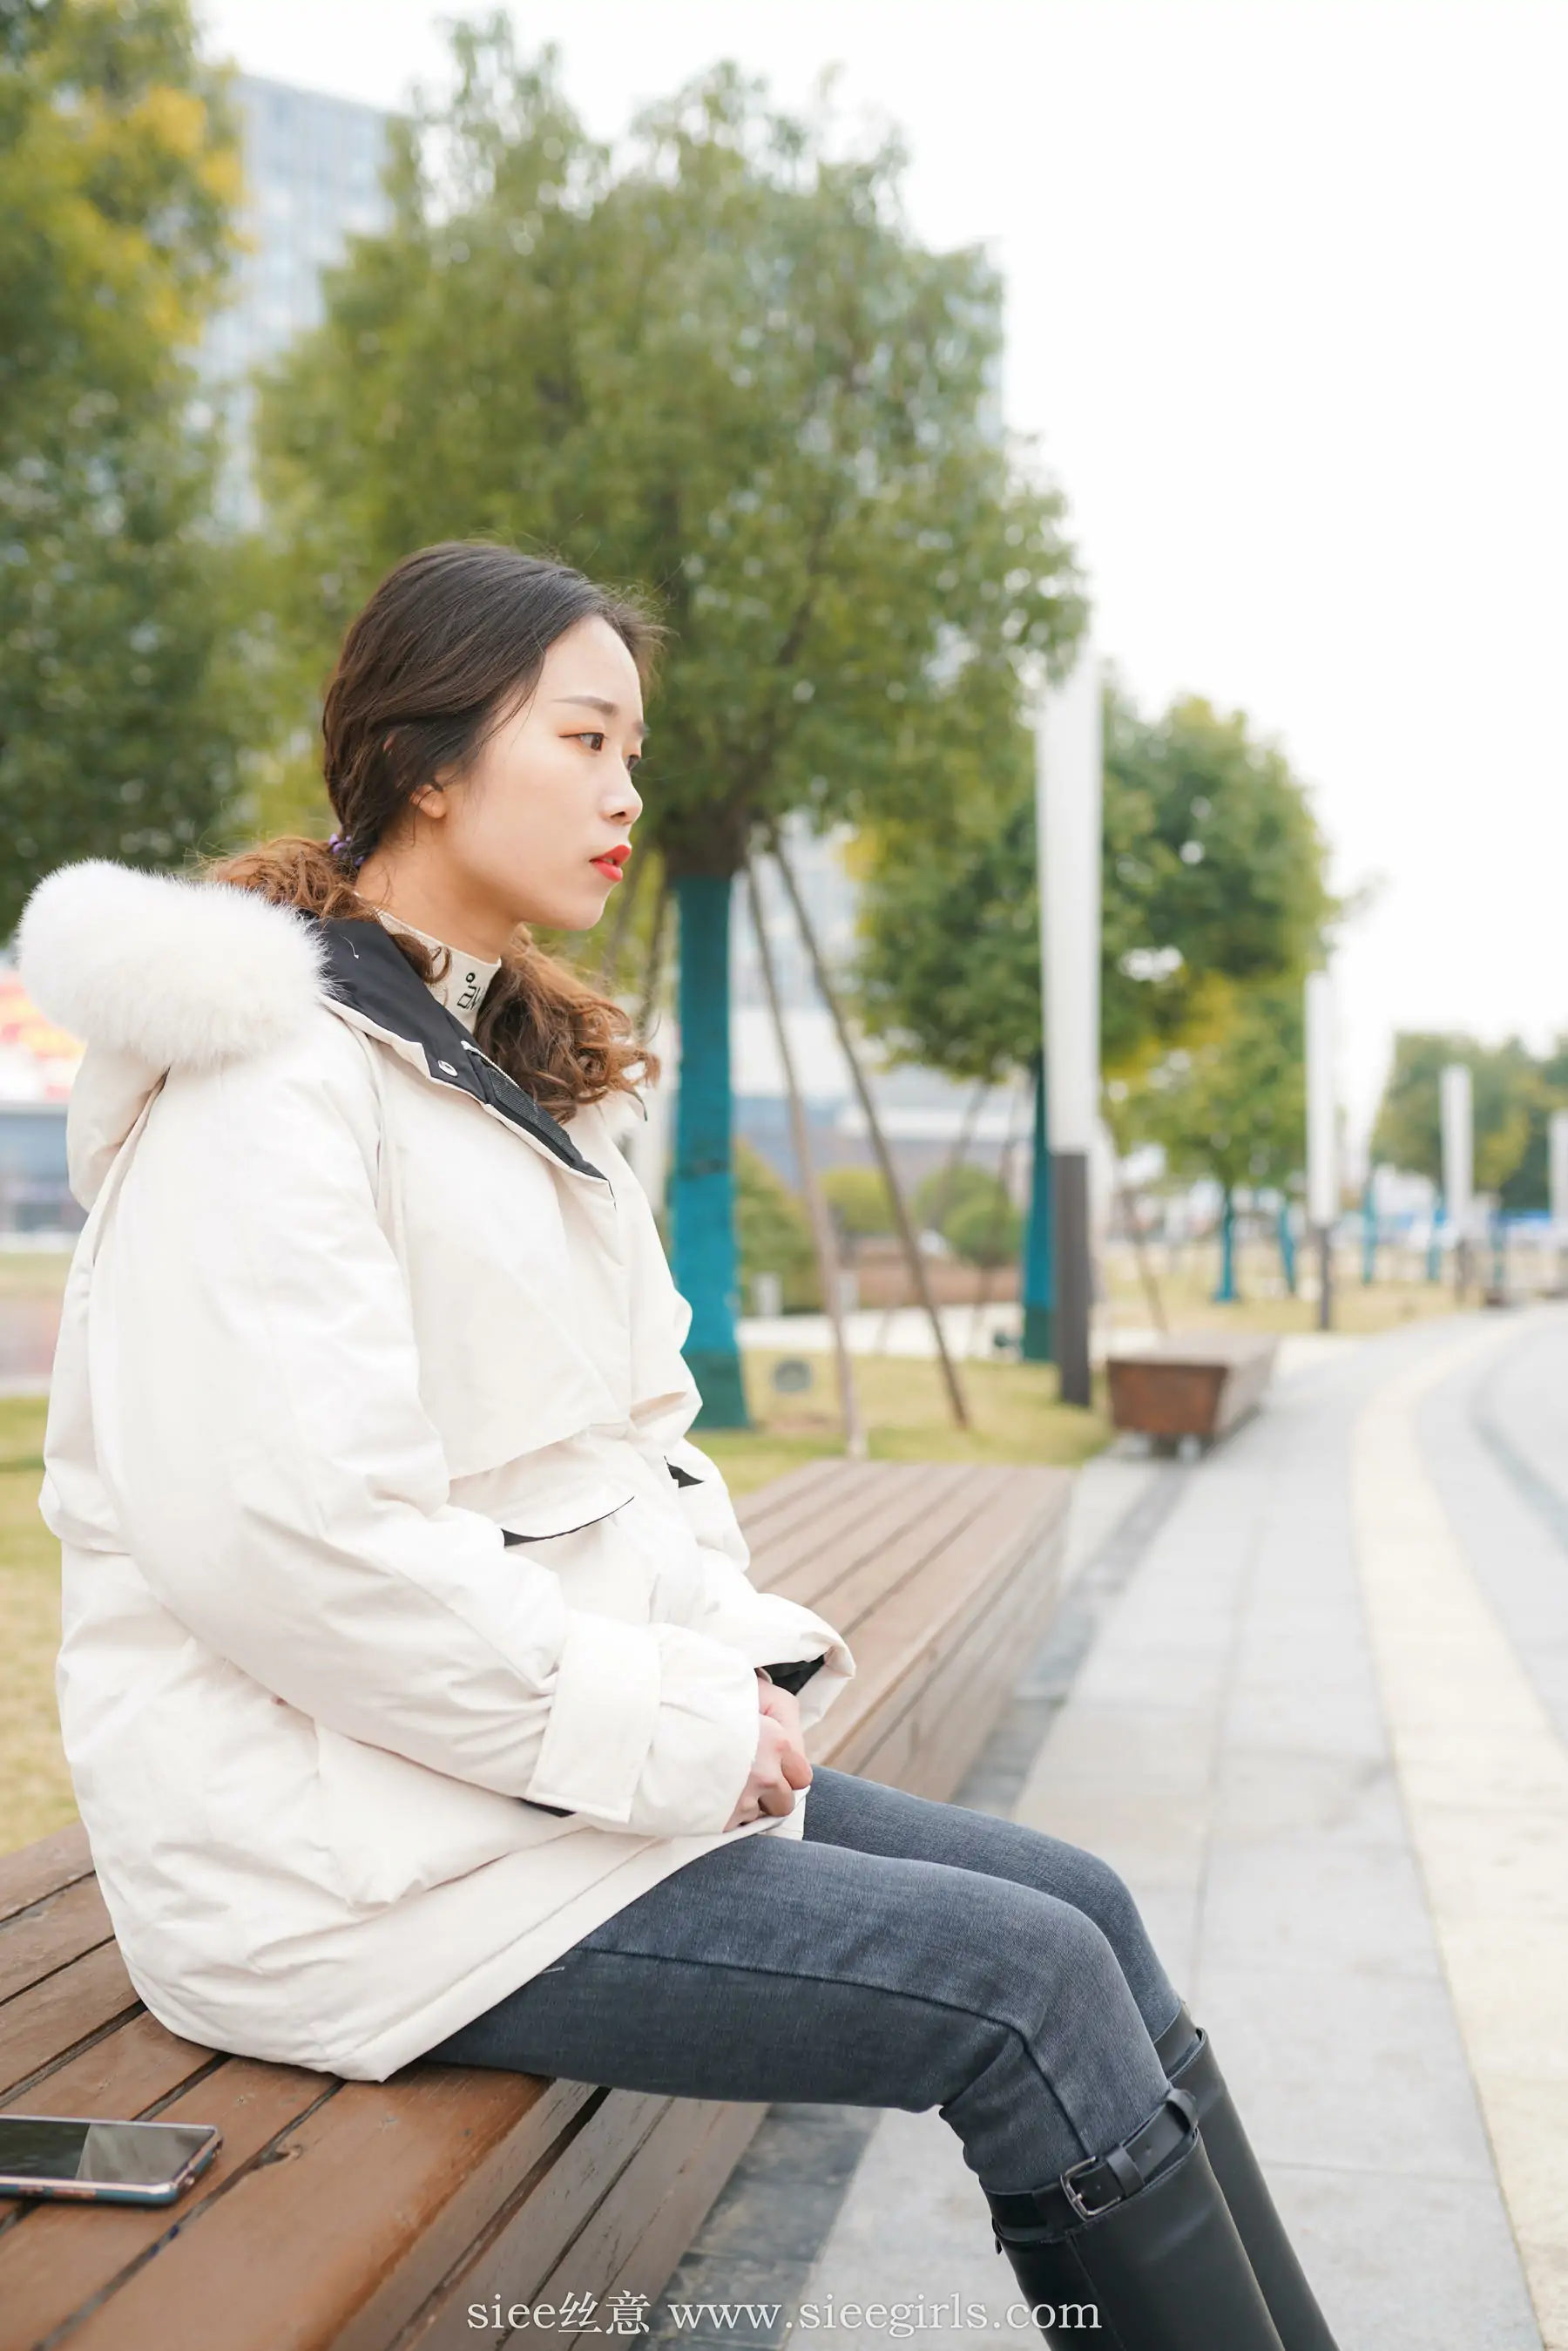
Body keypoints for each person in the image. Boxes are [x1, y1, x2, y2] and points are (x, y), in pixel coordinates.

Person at [23, 542, 1337, 2351]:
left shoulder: (483, 1065)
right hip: (332, 1870)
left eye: (633, 749)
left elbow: (630, 1465)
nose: (627, 791)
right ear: (429, 758)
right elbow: (300, 1552)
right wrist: (668, 1726)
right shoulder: (271, 1084)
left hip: (493, 1791)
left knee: (1082, 1903)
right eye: (585, 739)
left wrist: (719, 1676)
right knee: (1022, 1983)